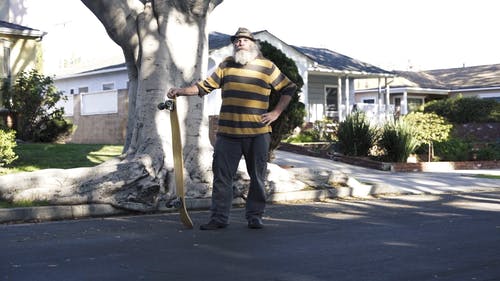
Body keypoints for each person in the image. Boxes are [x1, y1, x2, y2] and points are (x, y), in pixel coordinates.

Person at [167, 27, 297, 230]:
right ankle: (219, 218)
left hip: (258, 134)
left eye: (244, 40)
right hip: (228, 134)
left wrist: (276, 113)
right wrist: (181, 91)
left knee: (257, 177)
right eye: (236, 40)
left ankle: (255, 216)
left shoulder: (267, 66)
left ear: (253, 44)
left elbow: (289, 88)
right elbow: (204, 86)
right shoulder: (226, 65)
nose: (239, 43)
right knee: (221, 178)